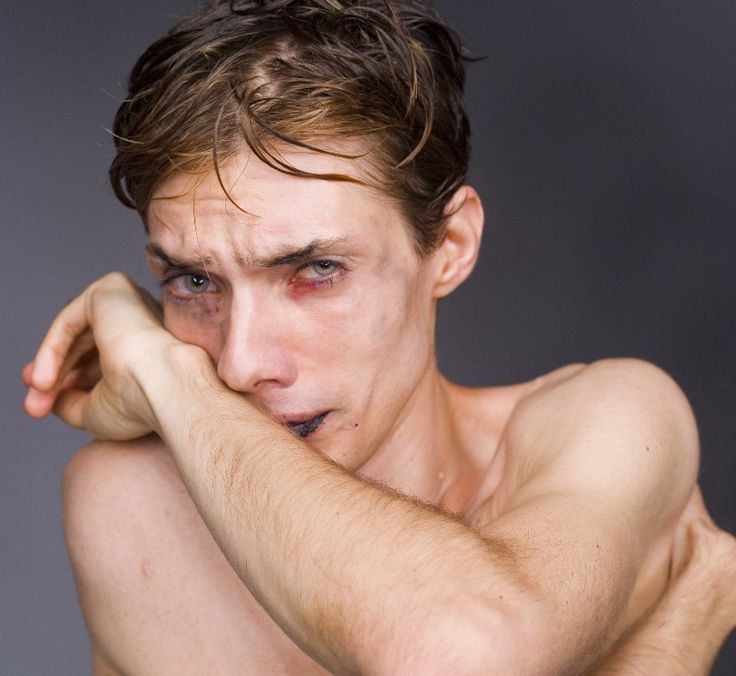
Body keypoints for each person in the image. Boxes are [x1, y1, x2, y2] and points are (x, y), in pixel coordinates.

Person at [23, 1, 736, 673]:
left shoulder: (605, 419)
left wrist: (169, 377)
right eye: (194, 282)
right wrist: (677, 637)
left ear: (450, 244)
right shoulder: (134, 499)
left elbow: (461, 649)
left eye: (315, 271)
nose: (238, 366)